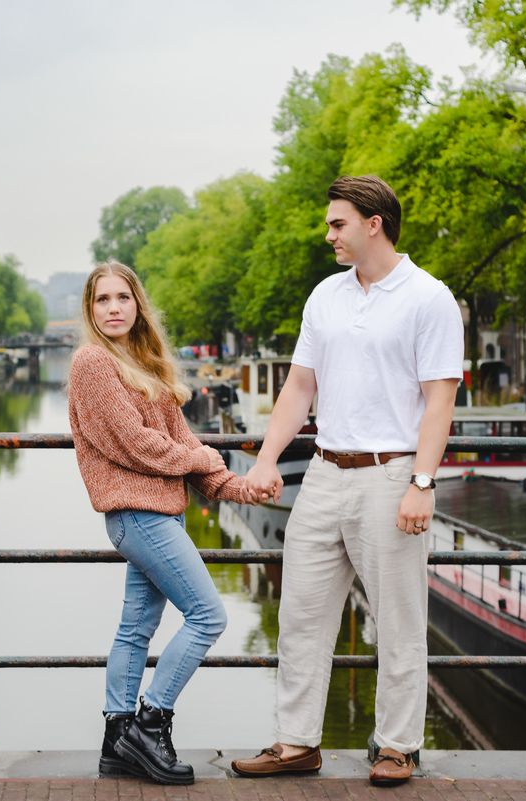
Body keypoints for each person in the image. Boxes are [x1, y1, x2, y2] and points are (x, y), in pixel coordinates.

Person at [230, 175, 464, 786]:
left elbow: (440, 401)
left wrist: (422, 481)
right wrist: (263, 458)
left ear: (373, 224)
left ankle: (396, 746)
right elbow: (299, 386)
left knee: (400, 618)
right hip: (324, 473)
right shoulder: (325, 297)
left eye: (337, 223)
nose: (328, 233)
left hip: (391, 477)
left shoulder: (429, 298)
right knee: (302, 614)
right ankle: (296, 742)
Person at [68, 261, 259, 786]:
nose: (113, 309)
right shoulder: (91, 364)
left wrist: (237, 487)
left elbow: (187, 445)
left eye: (122, 298)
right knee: (208, 616)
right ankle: (151, 724)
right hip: (137, 514)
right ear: (90, 309)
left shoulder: (145, 364)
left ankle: (117, 739)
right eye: (102, 300)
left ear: (137, 304)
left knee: (135, 630)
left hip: (158, 513)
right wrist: (202, 463)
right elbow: (138, 445)